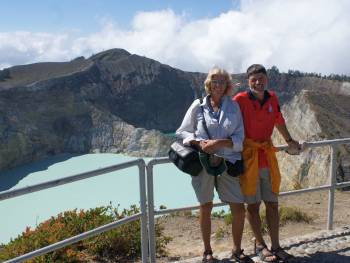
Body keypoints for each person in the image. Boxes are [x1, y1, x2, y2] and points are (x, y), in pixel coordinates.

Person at [176, 67, 253, 262]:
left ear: (227, 85)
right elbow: (183, 131)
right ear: (209, 84)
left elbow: (239, 137)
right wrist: (197, 142)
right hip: (204, 162)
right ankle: (207, 252)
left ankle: (237, 249)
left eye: (222, 82)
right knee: (206, 206)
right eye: (214, 81)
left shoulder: (233, 107)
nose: (218, 85)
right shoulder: (198, 105)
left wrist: (219, 143)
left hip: (228, 162)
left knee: (238, 206)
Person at [233, 64, 301, 262]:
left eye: (261, 78)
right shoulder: (240, 100)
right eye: (253, 79)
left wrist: (289, 141)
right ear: (248, 81)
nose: (258, 82)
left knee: (272, 204)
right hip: (248, 158)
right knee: (252, 206)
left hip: (267, 157)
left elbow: (278, 120)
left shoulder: (272, 98)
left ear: (266, 80)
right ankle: (260, 245)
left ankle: (276, 245)